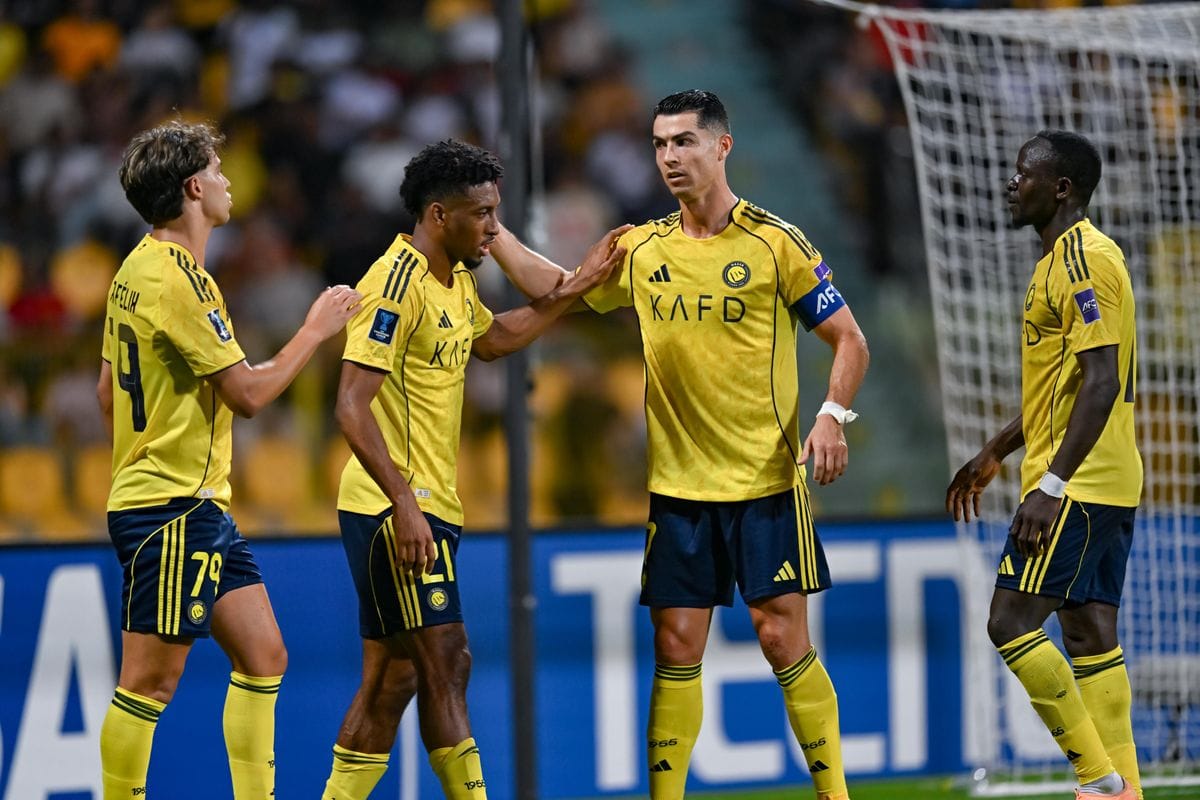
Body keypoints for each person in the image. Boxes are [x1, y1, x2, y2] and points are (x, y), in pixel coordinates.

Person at [491, 90, 868, 800]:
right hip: (679, 489)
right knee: (674, 645)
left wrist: (831, 416)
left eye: (684, 141)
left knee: (781, 639)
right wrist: (495, 234)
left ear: (722, 147)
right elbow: (562, 290)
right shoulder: (642, 248)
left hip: (764, 482)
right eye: (660, 144)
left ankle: (834, 795)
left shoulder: (776, 244)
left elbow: (849, 338)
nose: (669, 156)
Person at [320, 139, 628, 800]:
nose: (494, 228)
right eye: (482, 214)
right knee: (449, 659)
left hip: (427, 503)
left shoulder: (457, 278)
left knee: (394, 679)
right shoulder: (394, 285)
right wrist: (404, 503)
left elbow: (490, 340)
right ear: (439, 215)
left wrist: (575, 290)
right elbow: (349, 405)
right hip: (393, 508)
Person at [97, 119, 361, 799]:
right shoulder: (180, 281)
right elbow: (247, 394)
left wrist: (149, 445)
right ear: (193, 188)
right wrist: (315, 331)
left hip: (189, 502)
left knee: (265, 654)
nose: (226, 180)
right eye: (216, 170)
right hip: (171, 508)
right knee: (149, 682)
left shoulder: (134, 268)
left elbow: (106, 392)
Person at [947, 130, 1141, 800]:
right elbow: (1064, 387)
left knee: (1009, 623)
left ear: (1061, 188)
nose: (1012, 183)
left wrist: (1051, 485)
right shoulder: (1057, 262)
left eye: (1023, 173)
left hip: (1078, 483)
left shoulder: (1084, 261)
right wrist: (997, 450)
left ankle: (1098, 780)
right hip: (1100, 479)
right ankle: (1124, 792)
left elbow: (1102, 381)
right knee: (1088, 634)